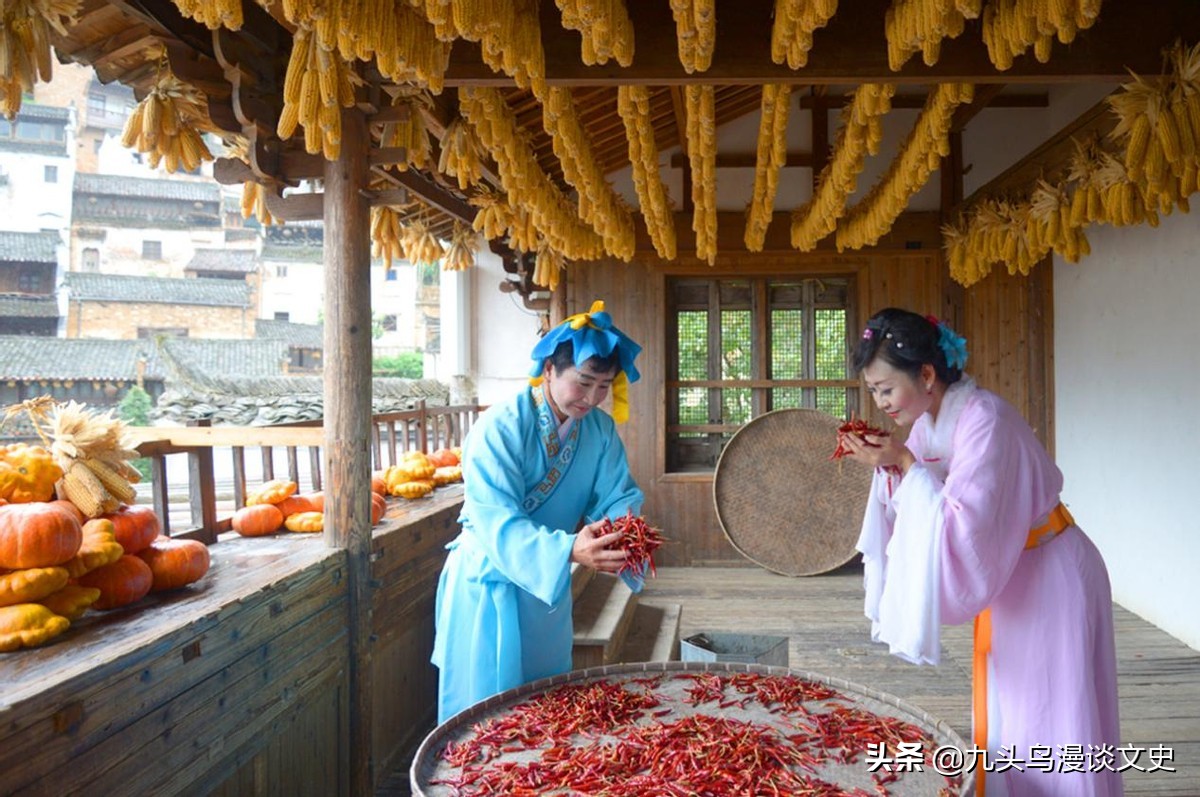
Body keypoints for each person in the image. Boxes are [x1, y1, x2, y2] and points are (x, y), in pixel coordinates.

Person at [841, 308, 1122, 797]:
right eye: (874, 392)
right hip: (1012, 579)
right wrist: (892, 467)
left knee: (1058, 713)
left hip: (1051, 572)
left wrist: (904, 462)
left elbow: (962, 525)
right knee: (1013, 711)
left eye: (886, 388)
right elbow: (922, 499)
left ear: (926, 374)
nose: (882, 402)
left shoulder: (983, 418)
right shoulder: (930, 422)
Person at [431, 300, 644, 724]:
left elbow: (617, 493)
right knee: (484, 714)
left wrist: (627, 532)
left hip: (546, 584)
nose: (592, 398)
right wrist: (570, 549)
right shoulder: (500, 427)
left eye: (604, 387)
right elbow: (496, 520)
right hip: (489, 579)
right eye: (583, 383)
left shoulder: (598, 430)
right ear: (549, 369)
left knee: (545, 708)